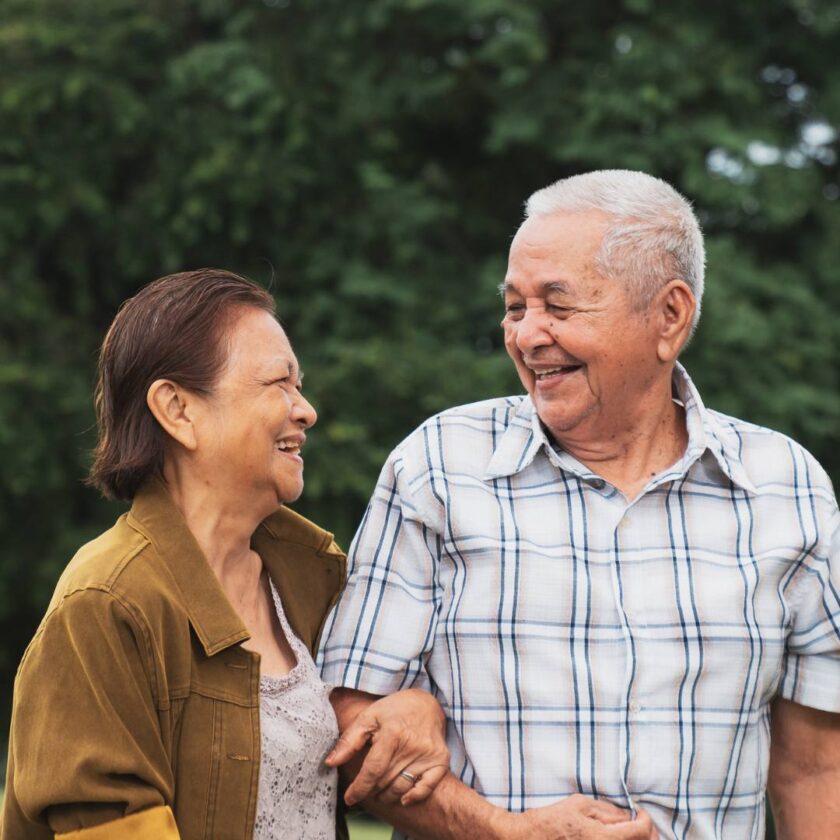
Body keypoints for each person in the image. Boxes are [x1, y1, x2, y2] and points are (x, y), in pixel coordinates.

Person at [320, 170, 840, 839]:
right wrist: (503, 831)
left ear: (670, 315)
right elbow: (351, 724)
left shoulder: (785, 486)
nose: (527, 336)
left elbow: (814, 768)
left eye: (558, 306)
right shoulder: (439, 467)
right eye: (516, 307)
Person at [1, 269, 448, 839]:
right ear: (178, 409)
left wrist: (417, 708)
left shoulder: (314, 576)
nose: (306, 410)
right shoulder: (107, 603)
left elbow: (355, 756)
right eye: (279, 383)